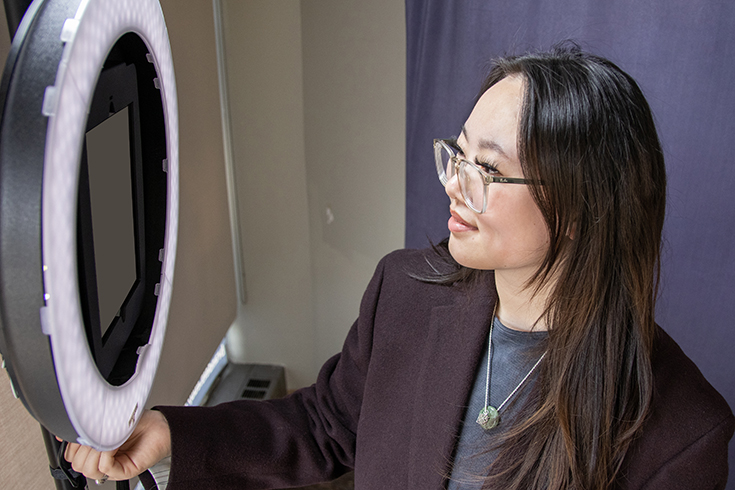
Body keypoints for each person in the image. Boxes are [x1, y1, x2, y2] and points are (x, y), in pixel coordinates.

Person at [64, 44, 734, 489]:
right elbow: (325, 425)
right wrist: (169, 432)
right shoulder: (407, 291)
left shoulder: (680, 432)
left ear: (584, 209)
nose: (454, 185)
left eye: (488, 171)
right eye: (458, 155)